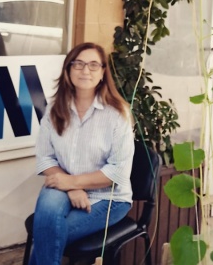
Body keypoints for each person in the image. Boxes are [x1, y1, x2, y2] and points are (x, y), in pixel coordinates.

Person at [28, 42, 135, 265]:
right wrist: (73, 187)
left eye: (93, 65)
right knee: (47, 215)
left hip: (109, 198)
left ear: (103, 72)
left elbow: (118, 172)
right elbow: (45, 157)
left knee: (48, 233)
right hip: (64, 185)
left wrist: (71, 182)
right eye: (78, 64)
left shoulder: (118, 114)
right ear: (68, 70)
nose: (85, 70)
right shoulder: (55, 108)